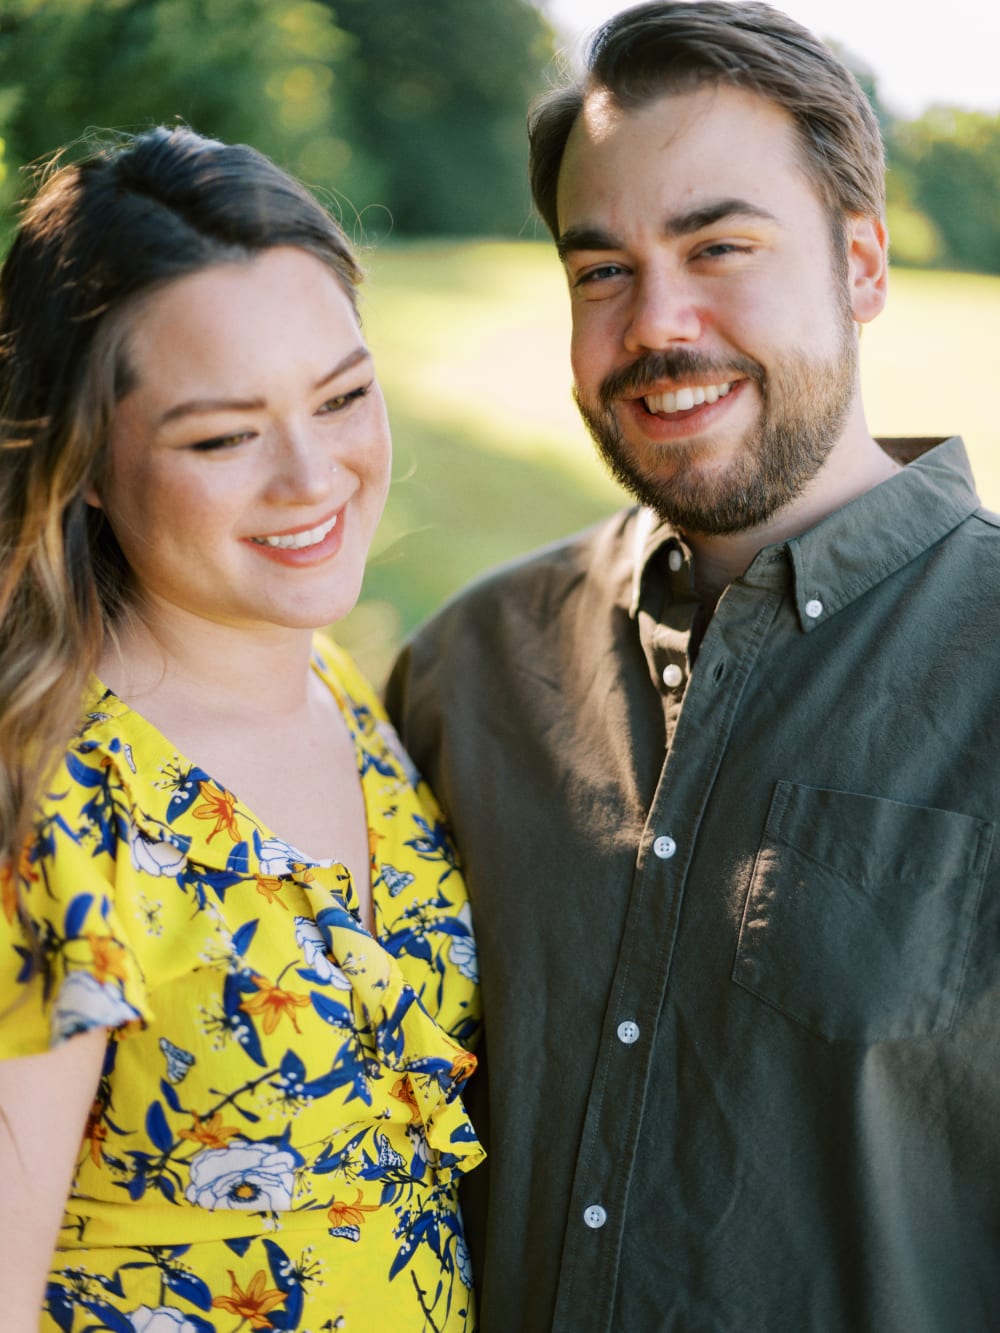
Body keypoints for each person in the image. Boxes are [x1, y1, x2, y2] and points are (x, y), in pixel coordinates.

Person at [385, 3, 1000, 1330]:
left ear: (863, 265)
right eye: (601, 269)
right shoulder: (468, 669)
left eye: (719, 247)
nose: (659, 325)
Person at [0, 127, 481, 1331]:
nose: (311, 476)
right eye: (222, 436)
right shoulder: (49, 797)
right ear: (87, 464)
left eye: (343, 396)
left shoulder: (341, 689)